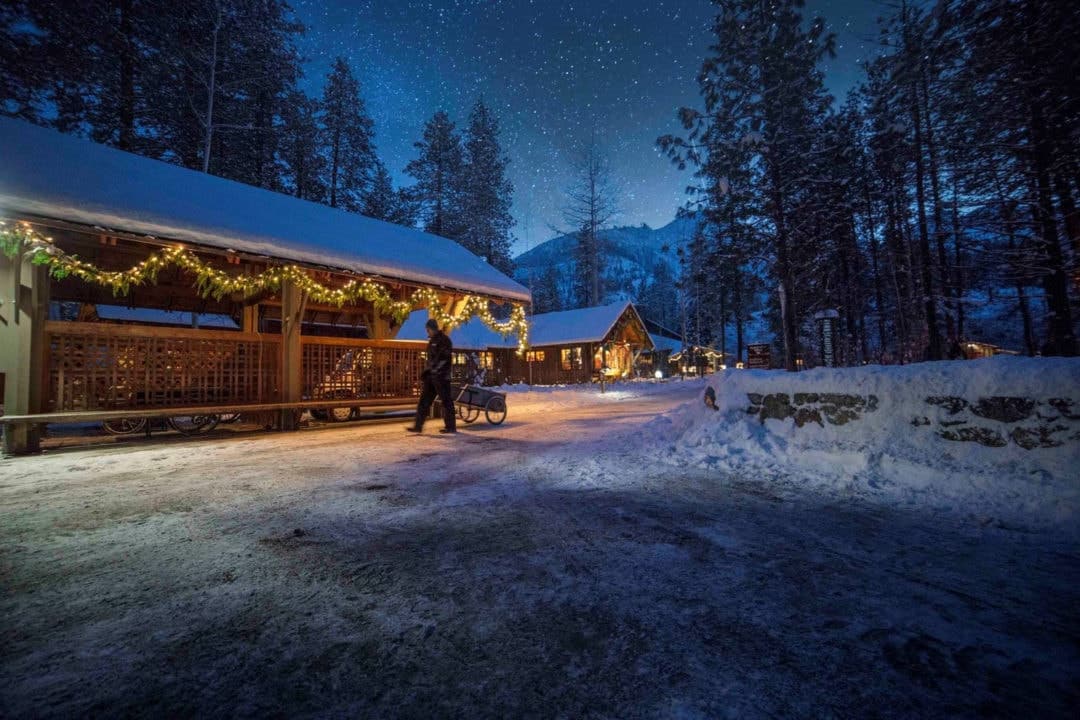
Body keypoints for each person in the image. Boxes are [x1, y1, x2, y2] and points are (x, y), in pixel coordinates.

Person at [407, 318, 456, 434]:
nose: (427, 332)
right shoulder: (432, 341)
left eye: (428, 330)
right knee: (424, 401)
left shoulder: (444, 340)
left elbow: (444, 359)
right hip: (431, 377)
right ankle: (418, 426)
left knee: (446, 401)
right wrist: (427, 371)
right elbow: (431, 360)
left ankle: (451, 426)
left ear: (432, 329)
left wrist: (436, 370)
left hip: (442, 377)